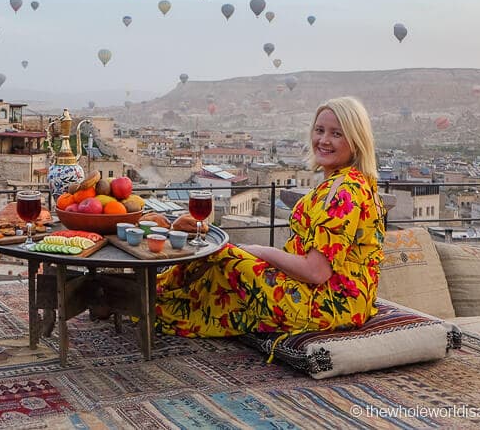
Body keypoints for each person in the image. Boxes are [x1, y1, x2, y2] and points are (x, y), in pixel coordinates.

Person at [155, 96, 385, 354]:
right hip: (345, 298)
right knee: (226, 262)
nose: (324, 140)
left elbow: (316, 272)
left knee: (225, 257)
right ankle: (154, 296)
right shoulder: (349, 181)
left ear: (356, 140)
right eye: (319, 130)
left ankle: (150, 300)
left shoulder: (344, 191)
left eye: (337, 134)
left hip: (328, 302)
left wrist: (259, 251)